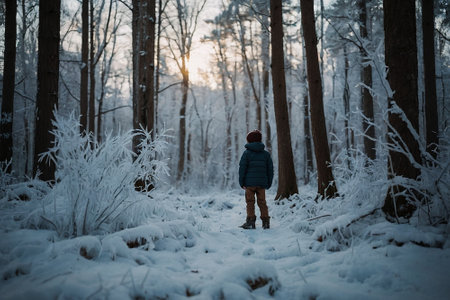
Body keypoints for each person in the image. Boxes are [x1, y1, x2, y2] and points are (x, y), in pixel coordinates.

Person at [239, 130, 274, 229]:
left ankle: (250, 222)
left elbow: (242, 168)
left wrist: (241, 182)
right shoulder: (266, 154)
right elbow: (270, 169)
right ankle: (266, 222)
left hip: (249, 184)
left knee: (250, 202)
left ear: (249, 141)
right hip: (262, 183)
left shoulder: (246, 154)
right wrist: (269, 182)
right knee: (262, 202)